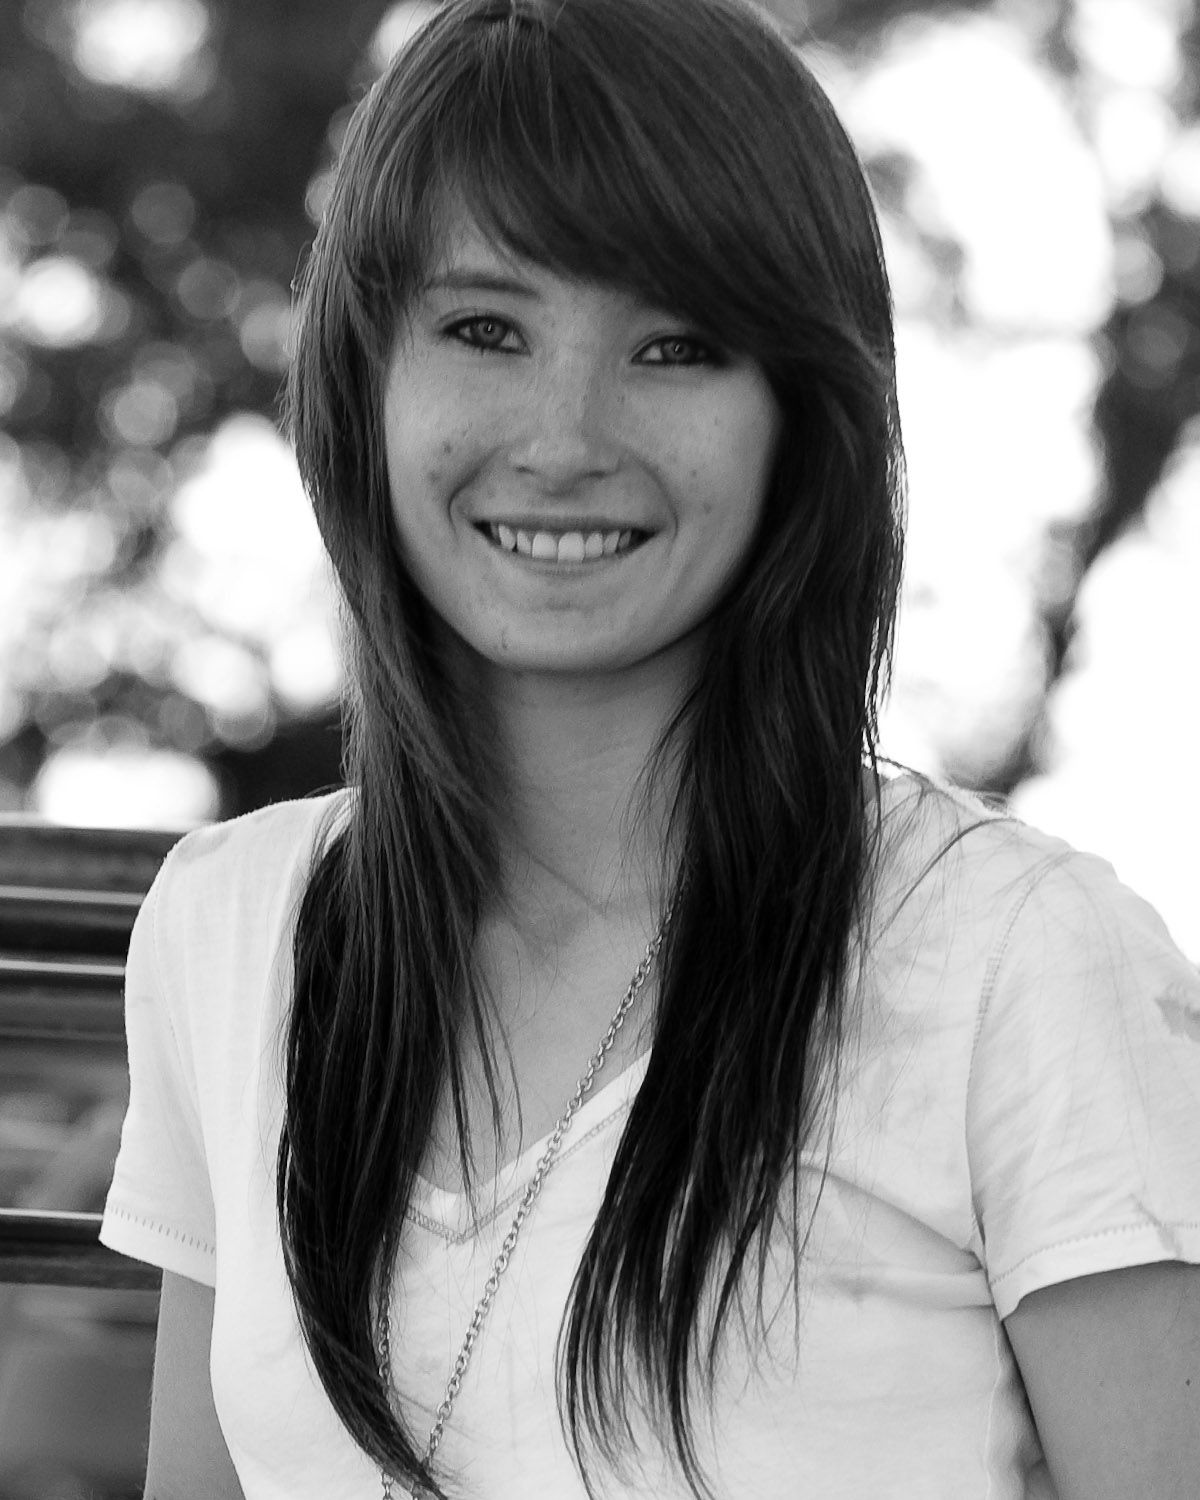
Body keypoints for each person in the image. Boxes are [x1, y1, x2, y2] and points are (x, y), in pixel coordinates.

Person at [99, 0, 1200, 1495]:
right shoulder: (228, 930)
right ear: (365, 377)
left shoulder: (1018, 959)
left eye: (676, 348)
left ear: (800, 418)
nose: (564, 437)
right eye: (485, 329)